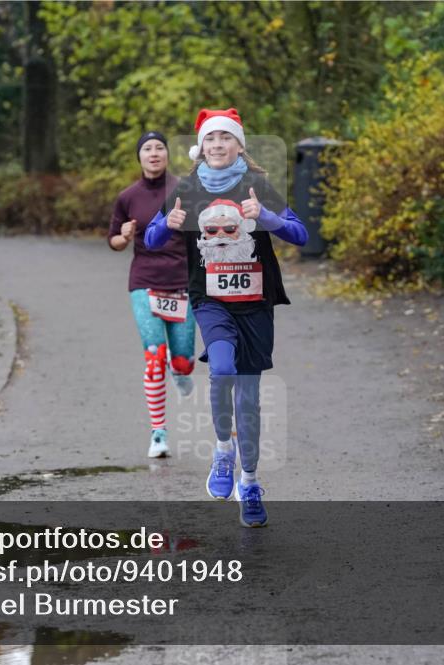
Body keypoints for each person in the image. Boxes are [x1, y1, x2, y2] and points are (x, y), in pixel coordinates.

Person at [145, 108, 308, 527]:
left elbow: (300, 233)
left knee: (249, 399)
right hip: (210, 299)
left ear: (238, 145)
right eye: (211, 139)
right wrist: (168, 226)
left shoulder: (257, 185)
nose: (218, 145)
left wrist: (265, 218)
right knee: (220, 369)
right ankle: (222, 451)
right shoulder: (187, 187)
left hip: (256, 303)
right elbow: (150, 237)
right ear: (201, 148)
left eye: (226, 138)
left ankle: (250, 483)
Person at [108, 131, 197, 458]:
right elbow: (114, 242)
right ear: (140, 157)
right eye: (147, 148)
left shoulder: (185, 190)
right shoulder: (127, 197)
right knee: (154, 354)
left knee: (183, 362)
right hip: (144, 281)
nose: (154, 153)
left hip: (182, 282)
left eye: (159, 147)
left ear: (166, 154)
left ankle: (181, 369)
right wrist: (124, 235)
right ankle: (158, 432)